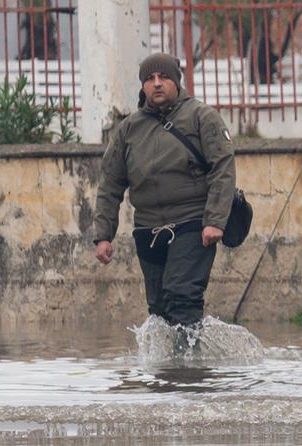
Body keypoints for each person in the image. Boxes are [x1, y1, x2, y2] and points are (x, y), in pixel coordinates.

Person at [89, 53, 237, 328]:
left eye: (164, 77)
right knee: (159, 310)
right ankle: (172, 369)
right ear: (143, 86)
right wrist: (102, 236)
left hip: (192, 224)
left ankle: (189, 369)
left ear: (176, 81)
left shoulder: (202, 117)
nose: (157, 84)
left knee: (181, 295)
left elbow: (223, 169)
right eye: (150, 79)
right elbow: (110, 184)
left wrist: (215, 221)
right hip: (148, 230)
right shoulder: (129, 129)